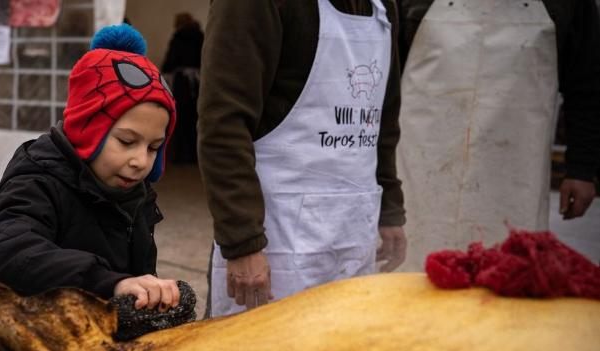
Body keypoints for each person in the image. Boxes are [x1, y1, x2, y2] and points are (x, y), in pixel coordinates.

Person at [0, 24, 178, 351]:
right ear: (88, 125)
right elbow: (9, 250)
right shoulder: (37, 174)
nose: (139, 160)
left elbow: (137, 274)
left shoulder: (134, 193)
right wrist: (111, 284)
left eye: (152, 147)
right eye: (126, 141)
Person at [198, 0, 408, 317]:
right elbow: (223, 125)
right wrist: (242, 241)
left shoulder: (384, 6)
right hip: (275, 244)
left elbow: (383, 119)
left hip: (354, 233)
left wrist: (390, 208)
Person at [395, 0, 600, 270]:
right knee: (411, 279)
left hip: (514, 175)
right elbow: (383, 76)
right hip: (418, 167)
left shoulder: (566, 5)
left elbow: (587, 82)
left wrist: (582, 169)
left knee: (505, 278)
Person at [162, 12, 204, 164]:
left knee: (181, 120)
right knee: (196, 120)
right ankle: (195, 156)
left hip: (182, 83)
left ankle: (181, 157)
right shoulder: (201, 36)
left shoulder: (178, 38)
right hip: (199, 82)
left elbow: (169, 63)